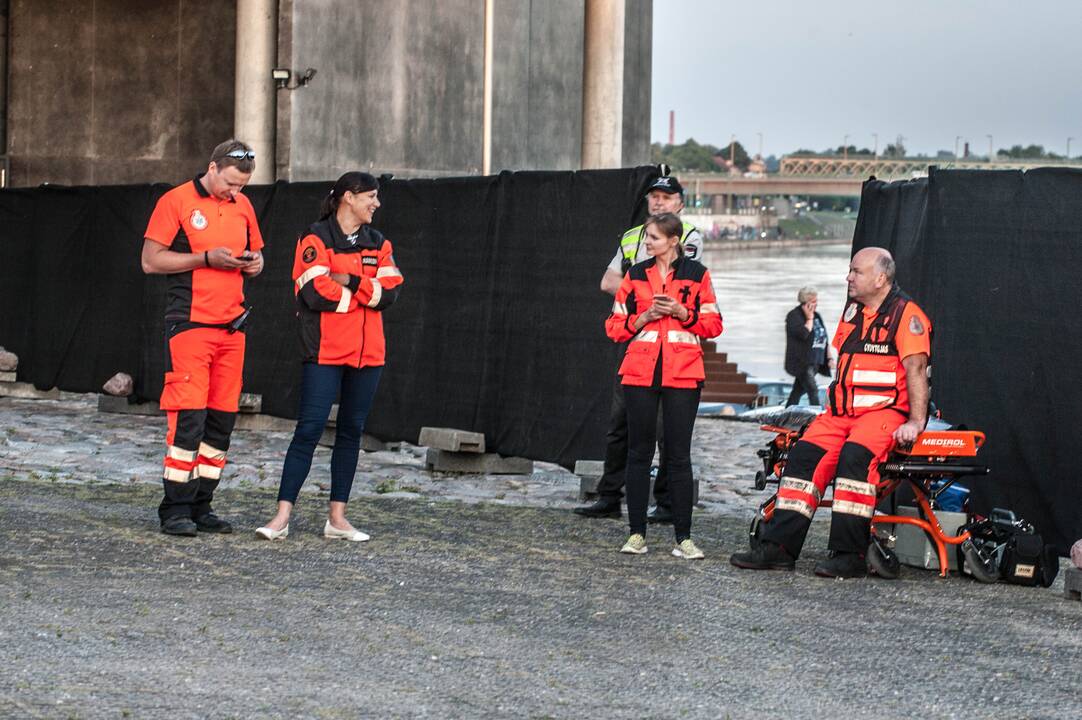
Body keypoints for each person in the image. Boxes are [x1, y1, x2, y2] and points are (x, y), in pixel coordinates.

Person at [730, 247, 931, 578]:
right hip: (840, 414)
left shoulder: (907, 316)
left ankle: (850, 554)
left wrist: (915, 422)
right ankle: (779, 547)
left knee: (855, 458)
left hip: (884, 413)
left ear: (881, 278)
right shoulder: (853, 311)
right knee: (803, 456)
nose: (849, 277)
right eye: (850, 271)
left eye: (856, 272)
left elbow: (917, 370)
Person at [256, 172, 403, 542]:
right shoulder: (315, 238)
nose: (377, 203)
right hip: (324, 352)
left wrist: (351, 281)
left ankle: (337, 519)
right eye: (371, 196)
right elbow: (314, 293)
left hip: (369, 356)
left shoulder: (379, 242)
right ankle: (281, 517)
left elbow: (390, 294)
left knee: (351, 433)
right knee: (308, 430)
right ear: (349, 198)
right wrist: (364, 298)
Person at [141, 139, 265, 536]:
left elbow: (258, 257)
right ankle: (174, 509)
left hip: (233, 327)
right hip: (190, 324)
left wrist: (255, 263)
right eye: (230, 183)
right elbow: (150, 260)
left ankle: (202, 506)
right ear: (212, 168)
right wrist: (205, 258)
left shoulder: (243, 206)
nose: (235, 192)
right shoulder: (175, 201)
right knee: (188, 420)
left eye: (242, 186)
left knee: (221, 423)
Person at [575, 175, 705, 523]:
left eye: (666, 197)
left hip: (674, 350)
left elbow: (679, 285)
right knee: (620, 424)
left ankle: (664, 504)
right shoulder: (632, 237)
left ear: (679, 202)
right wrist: (641, 293)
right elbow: (608, 281)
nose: (659, 203)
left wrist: (635, 287)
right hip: (637, 344)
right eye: (654, 197)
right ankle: (609, 497)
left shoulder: (689, 236)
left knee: (666, 431)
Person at [605, 213, 723, 559]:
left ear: (673, 241)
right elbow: (613, 327)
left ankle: (683, 538)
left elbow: (714, 324)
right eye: (647, 238)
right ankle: (636, 534)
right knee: (639, 453)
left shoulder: (697, 275)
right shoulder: (635, 275)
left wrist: (682, 312)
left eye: (653, 238)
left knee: (678, 456)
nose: (647, 243)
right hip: (640, 372)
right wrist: (641, 318)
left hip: (683, 373)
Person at [784, 286, 834, 406]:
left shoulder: (817, 316)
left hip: (815, 362)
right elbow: (804, 334)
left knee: (797, 392)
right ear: (805, 303)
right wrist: (809, 318)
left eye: (816, 301)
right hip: (801, 362)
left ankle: (786, 413)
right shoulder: (794, 316)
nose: (816, 304)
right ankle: (815, 416)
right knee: (813, 390)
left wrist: (829, 358)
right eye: (813, 302)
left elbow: (824, 338)